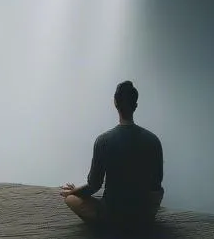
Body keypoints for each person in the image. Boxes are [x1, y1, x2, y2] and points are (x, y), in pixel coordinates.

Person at [59, 80, 164, 226]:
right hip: (142, 214)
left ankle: (107, 226)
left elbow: (94, 185)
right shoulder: (153, 140)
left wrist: (73, 192)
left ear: (115, 103)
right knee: (156, 194)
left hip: (112, 214)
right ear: (136, 105)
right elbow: (156, 184)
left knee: (71, 199)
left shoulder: (103, 141)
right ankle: (140, 221)